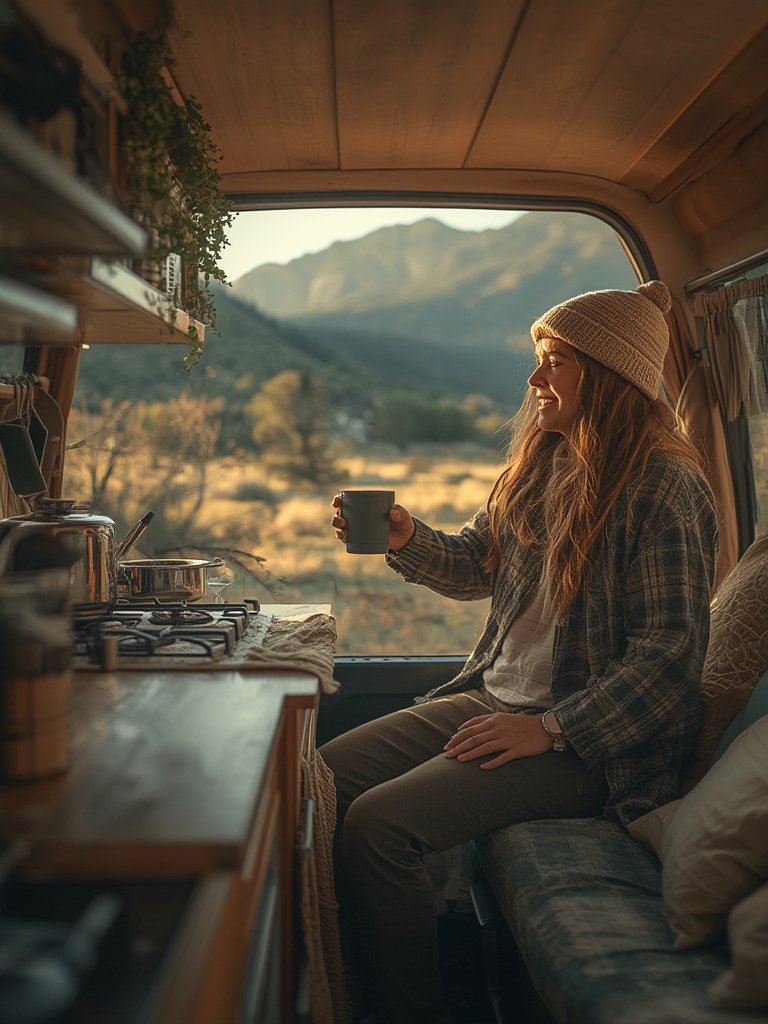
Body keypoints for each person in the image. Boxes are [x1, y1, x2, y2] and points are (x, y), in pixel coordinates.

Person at [320, 280, 719, 1024]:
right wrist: (408, 539)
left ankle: (406, 1011)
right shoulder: (542, 463)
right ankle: (339, 982)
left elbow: (670, 656)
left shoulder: (666, 482)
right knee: (322, 777)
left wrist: (551, 728)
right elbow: (477, 562)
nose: (535, 379)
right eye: (538, 359)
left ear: (610, 374)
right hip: (496, 698)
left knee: (382, 827)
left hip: (589, 746)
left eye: (555, 361)